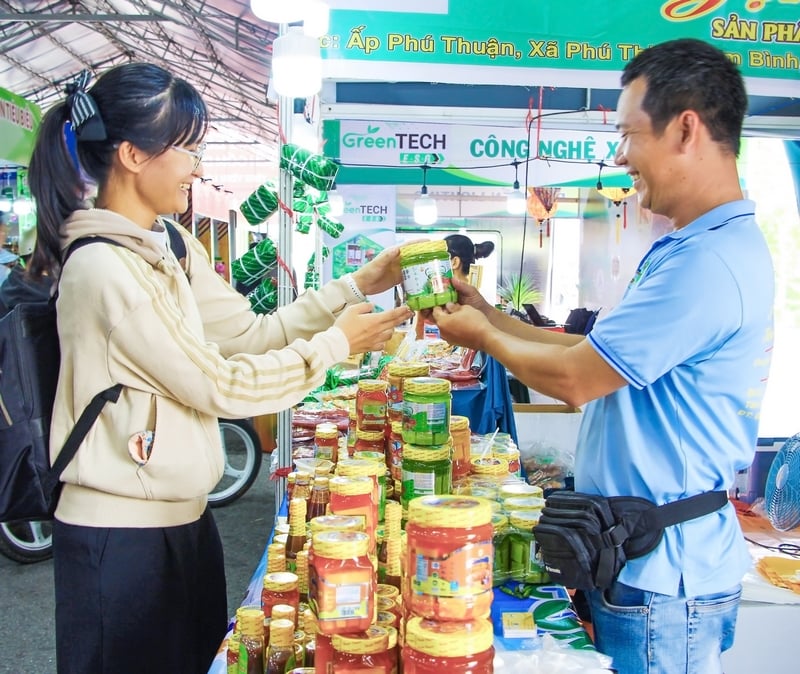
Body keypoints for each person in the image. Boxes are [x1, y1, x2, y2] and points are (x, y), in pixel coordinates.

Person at [27, 64, 411, 674]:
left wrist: (356, 285)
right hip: (119, 540)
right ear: (132, 154)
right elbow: (221, 386)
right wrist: (337, 345)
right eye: (188, 150)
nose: (198, 167)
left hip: (184, 522)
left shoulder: (169, 247)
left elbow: (250, 337)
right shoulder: (102, 270)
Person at [431, 38, 774, 674]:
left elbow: (578, 379)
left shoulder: (708, 263)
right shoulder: (692, 248)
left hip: (665, 576)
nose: (620, 156)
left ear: (685, 129)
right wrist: (490, 316)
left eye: (628, 135)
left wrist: (482, 339)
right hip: (643, 559)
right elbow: (594, 352)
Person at [414, 233, 494, 339]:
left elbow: (427, 338)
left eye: (440, 259)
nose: (435, 265)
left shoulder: (452, 297)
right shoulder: (475, 294)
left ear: (454, 262)